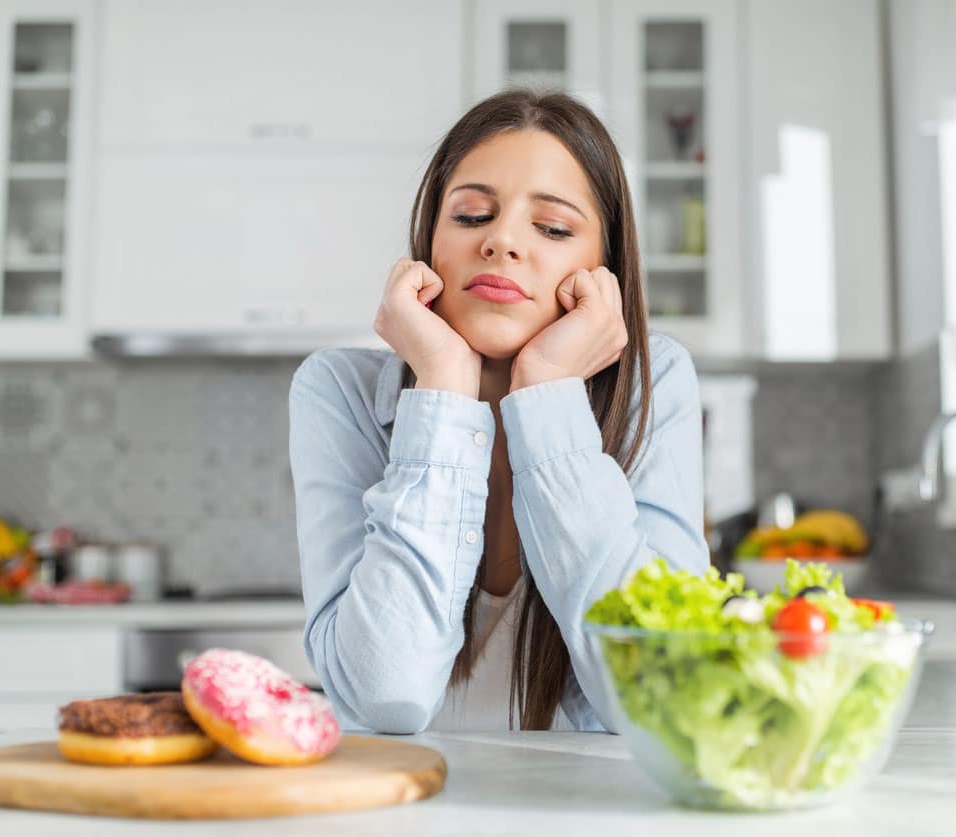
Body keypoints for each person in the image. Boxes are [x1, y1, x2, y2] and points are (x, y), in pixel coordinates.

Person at [289, 89, 709, 734]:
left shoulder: (659, 383)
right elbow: (385, 693)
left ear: (603, 269)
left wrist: (545, 394)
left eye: (553, 228)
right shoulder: (334, 390)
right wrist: (443, 389)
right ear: (430, 243)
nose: (502, 241)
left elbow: (666, 696)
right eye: (472, 215)